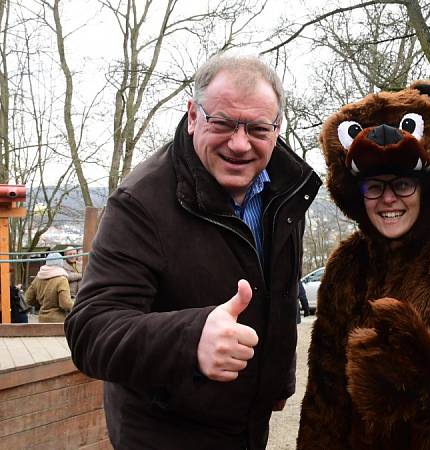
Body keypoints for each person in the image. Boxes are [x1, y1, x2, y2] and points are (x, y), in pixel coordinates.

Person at [64, 53, 321, 449]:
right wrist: (191, 339)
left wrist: (276, 379)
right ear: (192, 116)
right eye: (221, 123)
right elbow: (90, 330)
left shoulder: (285, 192)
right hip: (164, 432)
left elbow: (280, 296)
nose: (239, 144)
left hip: (247, 427)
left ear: (276, 128)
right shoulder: (140, 202)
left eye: (256, 128)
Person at [297, 83, 430, 449]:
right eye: (375, 187)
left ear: (423, 187)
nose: (389, 199)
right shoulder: (345, 267)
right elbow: (324, 392)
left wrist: (420, 367)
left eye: (402, 184)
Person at [25, 253, 73, 323]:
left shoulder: (38, 277)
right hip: (58, 321)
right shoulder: (61, 279)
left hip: (42, 320)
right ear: (61, 263)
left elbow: (28, 299)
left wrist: (41, 304)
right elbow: (65, 304)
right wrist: (75, 305)